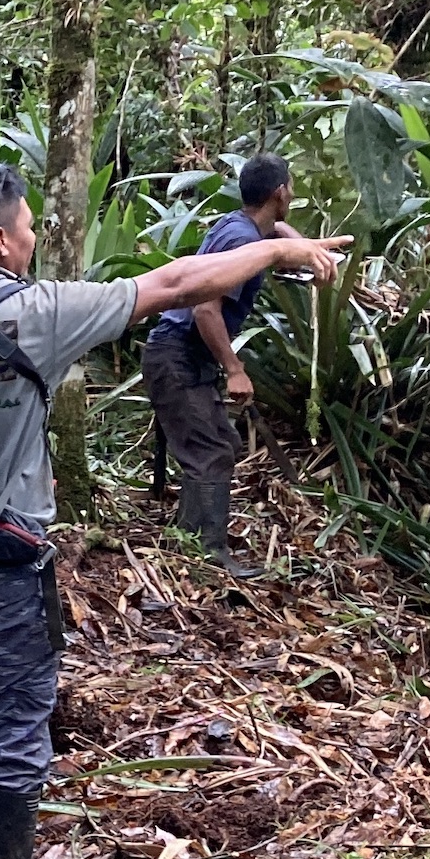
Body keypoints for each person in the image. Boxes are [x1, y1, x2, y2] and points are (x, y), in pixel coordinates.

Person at [0, 160, 347, 859]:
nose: (37, 237)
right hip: (0, 571)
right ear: (4, 239)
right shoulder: (37, 312)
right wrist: (279, 253)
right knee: (10, 742)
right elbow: (179, 283)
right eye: (31, 225)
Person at [145, 152, 304, 578]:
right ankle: (204, 554)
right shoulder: (243, 241)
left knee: (219, 447)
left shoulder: (240, 225)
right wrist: (235, 368)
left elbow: (278, 237)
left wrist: (305, 249)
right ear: (280, 193)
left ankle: (190, 543)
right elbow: (206, 310)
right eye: (290, 187)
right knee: (211, 451)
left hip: (178, 355)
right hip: (177, 353)